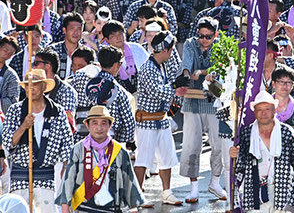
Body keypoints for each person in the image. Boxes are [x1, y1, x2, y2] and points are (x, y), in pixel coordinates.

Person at [2, 69, 73, 212]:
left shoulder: (57, 111)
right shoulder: (15, 111)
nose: (31, 88)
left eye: (35, 84)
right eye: (27, 85)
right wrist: (24, 126)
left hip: (46, 177)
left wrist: (67, 168)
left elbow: (67, 144)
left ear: (44, 86)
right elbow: (8, 142)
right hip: (20, 177)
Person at [230, 90, 294, 212]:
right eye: (259, 109)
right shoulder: (247, 134)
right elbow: (240, 166)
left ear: (274, 110)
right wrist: (234, 154)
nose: (263, 113)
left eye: (267, 109)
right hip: (254, 191)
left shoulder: (287, 132)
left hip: (283, 189)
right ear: (255, 112)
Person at [56, 105, 144, 212]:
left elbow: (129, 180)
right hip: (84, 208)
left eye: (103, 123)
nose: (99, 128)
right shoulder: (78, 149)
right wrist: (65, 206)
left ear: (110, 125)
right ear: (87, 125)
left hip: (112, 208)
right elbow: (68, 178)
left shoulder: (120, 152)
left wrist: (133, 208)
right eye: (94, 123)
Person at [178, 17, 225, 203]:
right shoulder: (190, 43)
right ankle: (194, 187)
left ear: (215, 35)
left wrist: (203, 73)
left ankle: (214, 181)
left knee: (218, 144)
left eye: (209, 36)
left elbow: (221, 68)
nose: (204, 40)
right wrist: (186, 75)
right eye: (202, 36)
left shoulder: (221, 46)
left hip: (215, 101)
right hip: (192, 99)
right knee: (191, 143)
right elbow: (186, 65)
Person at [134, 31, 183, 206]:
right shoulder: (148, 67)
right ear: (166, 50)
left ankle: (167, 192)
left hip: (161, 119)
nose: (171, 53)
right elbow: (156, 91)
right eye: (171, 50)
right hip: (147, 120)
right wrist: (175, 88)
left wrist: (176, 88)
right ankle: (137, 195)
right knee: (143, 159)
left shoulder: (160, 65)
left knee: (167, 156)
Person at [69, 46, 135, 144]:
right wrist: (119, 141)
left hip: (80, 141)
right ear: (116, 65)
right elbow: (129, 124)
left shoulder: (78, 79)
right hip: (107, 142)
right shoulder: (118, 90)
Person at [101, 21, 149, 94]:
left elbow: (148, 72)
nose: (118, 38)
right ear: (107, 40)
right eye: (113, 35)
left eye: (120, 33)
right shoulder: (103, 56)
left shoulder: (137, 49)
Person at [49, 12, 84, 80]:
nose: (76, 33)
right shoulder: (53, 50)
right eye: (72, 28)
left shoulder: (86, 53)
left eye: (79, 29)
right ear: (64, 30)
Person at [0, 36, 20, 114]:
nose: (7, 55)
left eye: (10, 54)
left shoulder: (12, 76)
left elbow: (13, 102)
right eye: (5, 50)